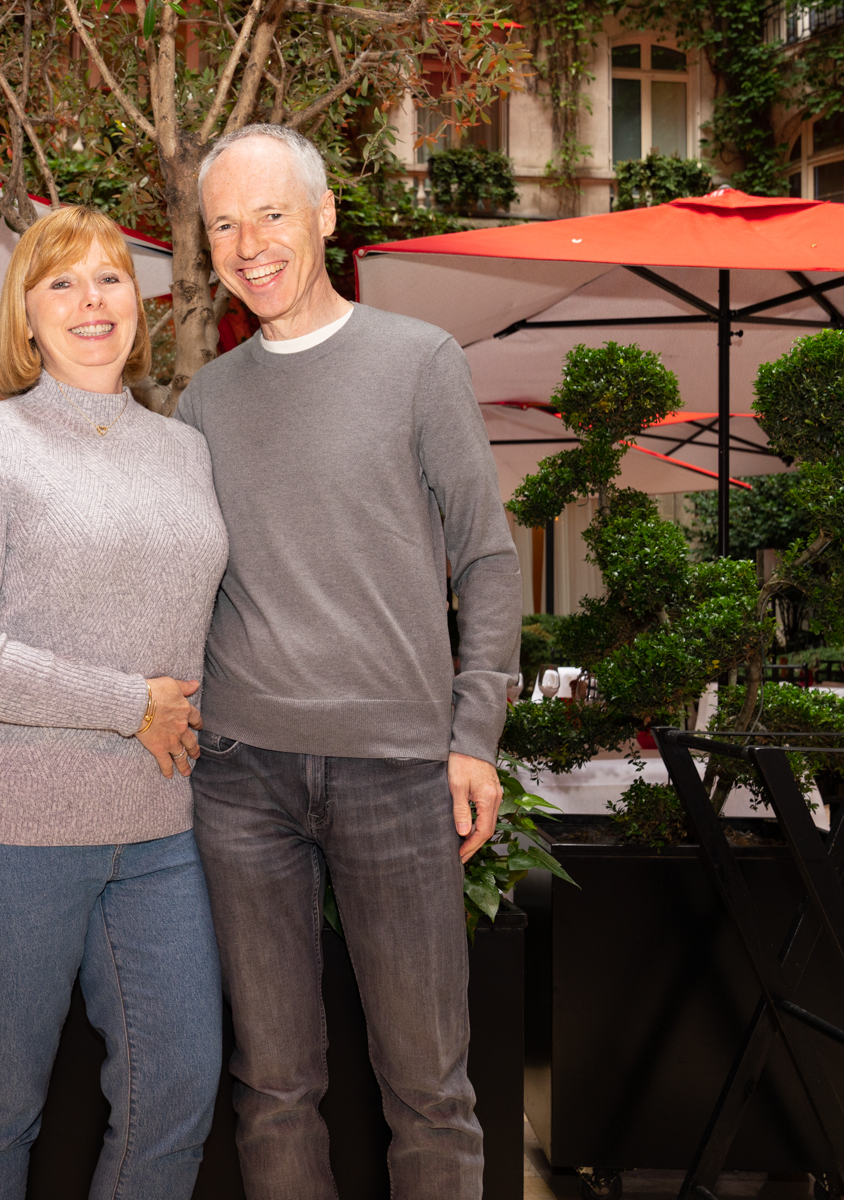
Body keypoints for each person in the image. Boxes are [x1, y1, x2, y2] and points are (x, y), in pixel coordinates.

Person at [176, 124, 523, 1198]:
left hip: (397, 773)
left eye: (271, 214)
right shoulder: (203, 401)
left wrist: (475, 736)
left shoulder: (419, 362)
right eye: (224, 225)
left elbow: (488, 558)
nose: (249, 245)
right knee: (273, 1086)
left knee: (430, 1088)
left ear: (325, 216)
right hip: (240, 779)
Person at [0, 205, 230, 1200]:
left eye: (111, 278)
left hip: (157, 826)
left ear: (140, 303)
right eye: (63, 282)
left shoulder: (183, 450)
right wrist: (128, 702)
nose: (92, 300)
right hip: (4, 828)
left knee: (178, 1093)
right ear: (28, 316)